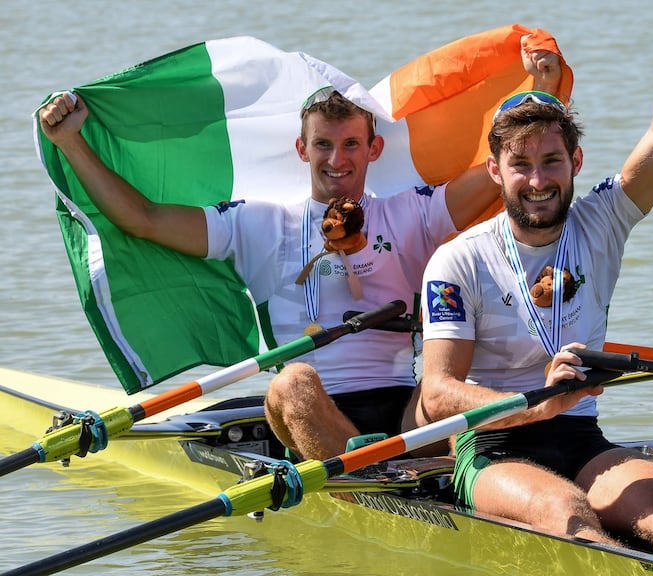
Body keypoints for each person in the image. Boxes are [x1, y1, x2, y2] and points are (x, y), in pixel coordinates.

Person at [37, 44, 562, 462]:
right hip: (311, 405)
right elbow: (143, 220)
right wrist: (71, 143)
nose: (338, 159)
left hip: (406, 406)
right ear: (302, 150)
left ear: (373, 150)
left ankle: (399, 466)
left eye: (352, 145)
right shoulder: (254, 222)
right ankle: (380, 472)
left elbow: (498, 174)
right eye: (324, 146)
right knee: (292, 381)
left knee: (450, 382)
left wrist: (537, 94)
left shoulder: (413, 212)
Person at [419, 0, 653, 559]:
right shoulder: (457, 261)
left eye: (552, 161)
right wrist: (536, 404)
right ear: (496, 171)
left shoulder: (601, 221)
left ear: (577, 160)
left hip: (583, 441)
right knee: (562, 512)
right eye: (521, 165)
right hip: (491, 448)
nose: (538, 180)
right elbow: (438, 392)